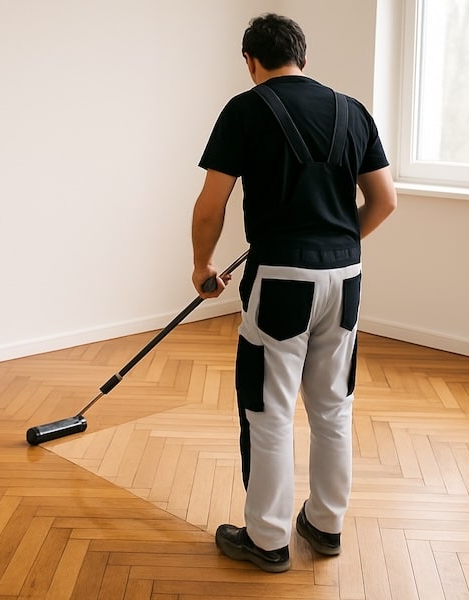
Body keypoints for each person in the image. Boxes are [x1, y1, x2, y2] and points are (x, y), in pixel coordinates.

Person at [190, 13, 397, 572]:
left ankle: (267, 539)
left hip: (281, 282)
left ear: (251, 61)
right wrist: (334, 242)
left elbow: (212, 204)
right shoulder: (352, 111)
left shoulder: (244, 108)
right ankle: (326, 526)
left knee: (269, 412)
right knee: (334, 409)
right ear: (302, 57)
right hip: (346, 281)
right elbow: (385, 201)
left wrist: (202, 265)